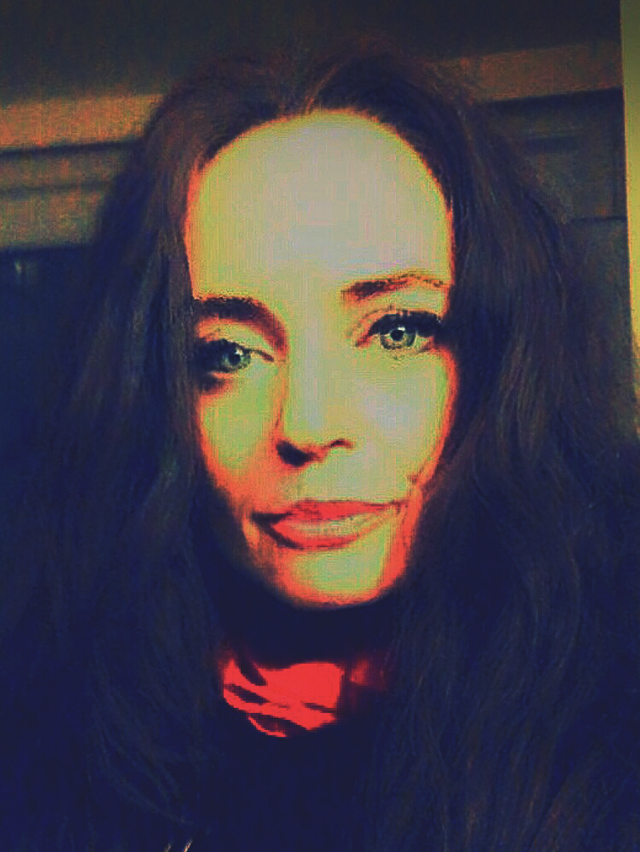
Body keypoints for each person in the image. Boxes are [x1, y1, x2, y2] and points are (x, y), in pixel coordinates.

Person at [2, 32, 639, 852]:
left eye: (397, 331)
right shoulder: (51, 723)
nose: (306, 424)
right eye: (227, 354)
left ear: (505, 356)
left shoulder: (611, 711)